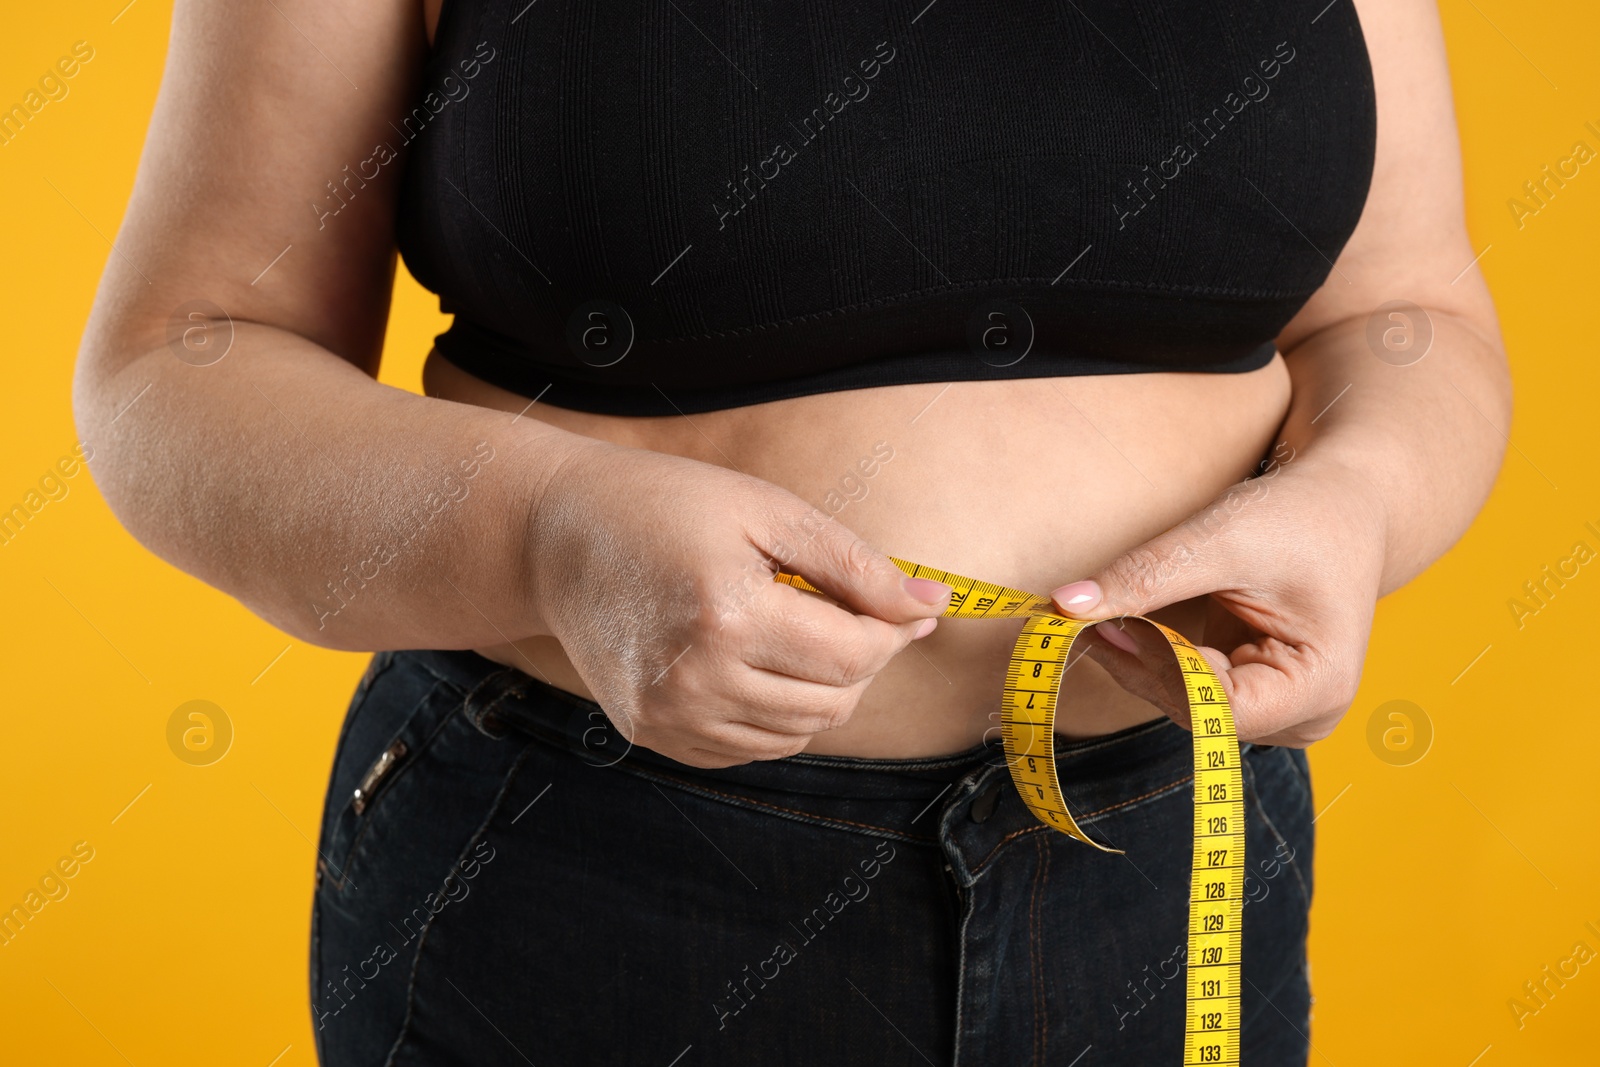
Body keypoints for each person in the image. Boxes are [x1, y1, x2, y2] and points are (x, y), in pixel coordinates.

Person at [73, 0, 1508, 1063]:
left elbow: (1407, 312)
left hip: (1167, 845)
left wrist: (1356, 503)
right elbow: (182, 361)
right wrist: (551, 537)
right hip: (595, 862)